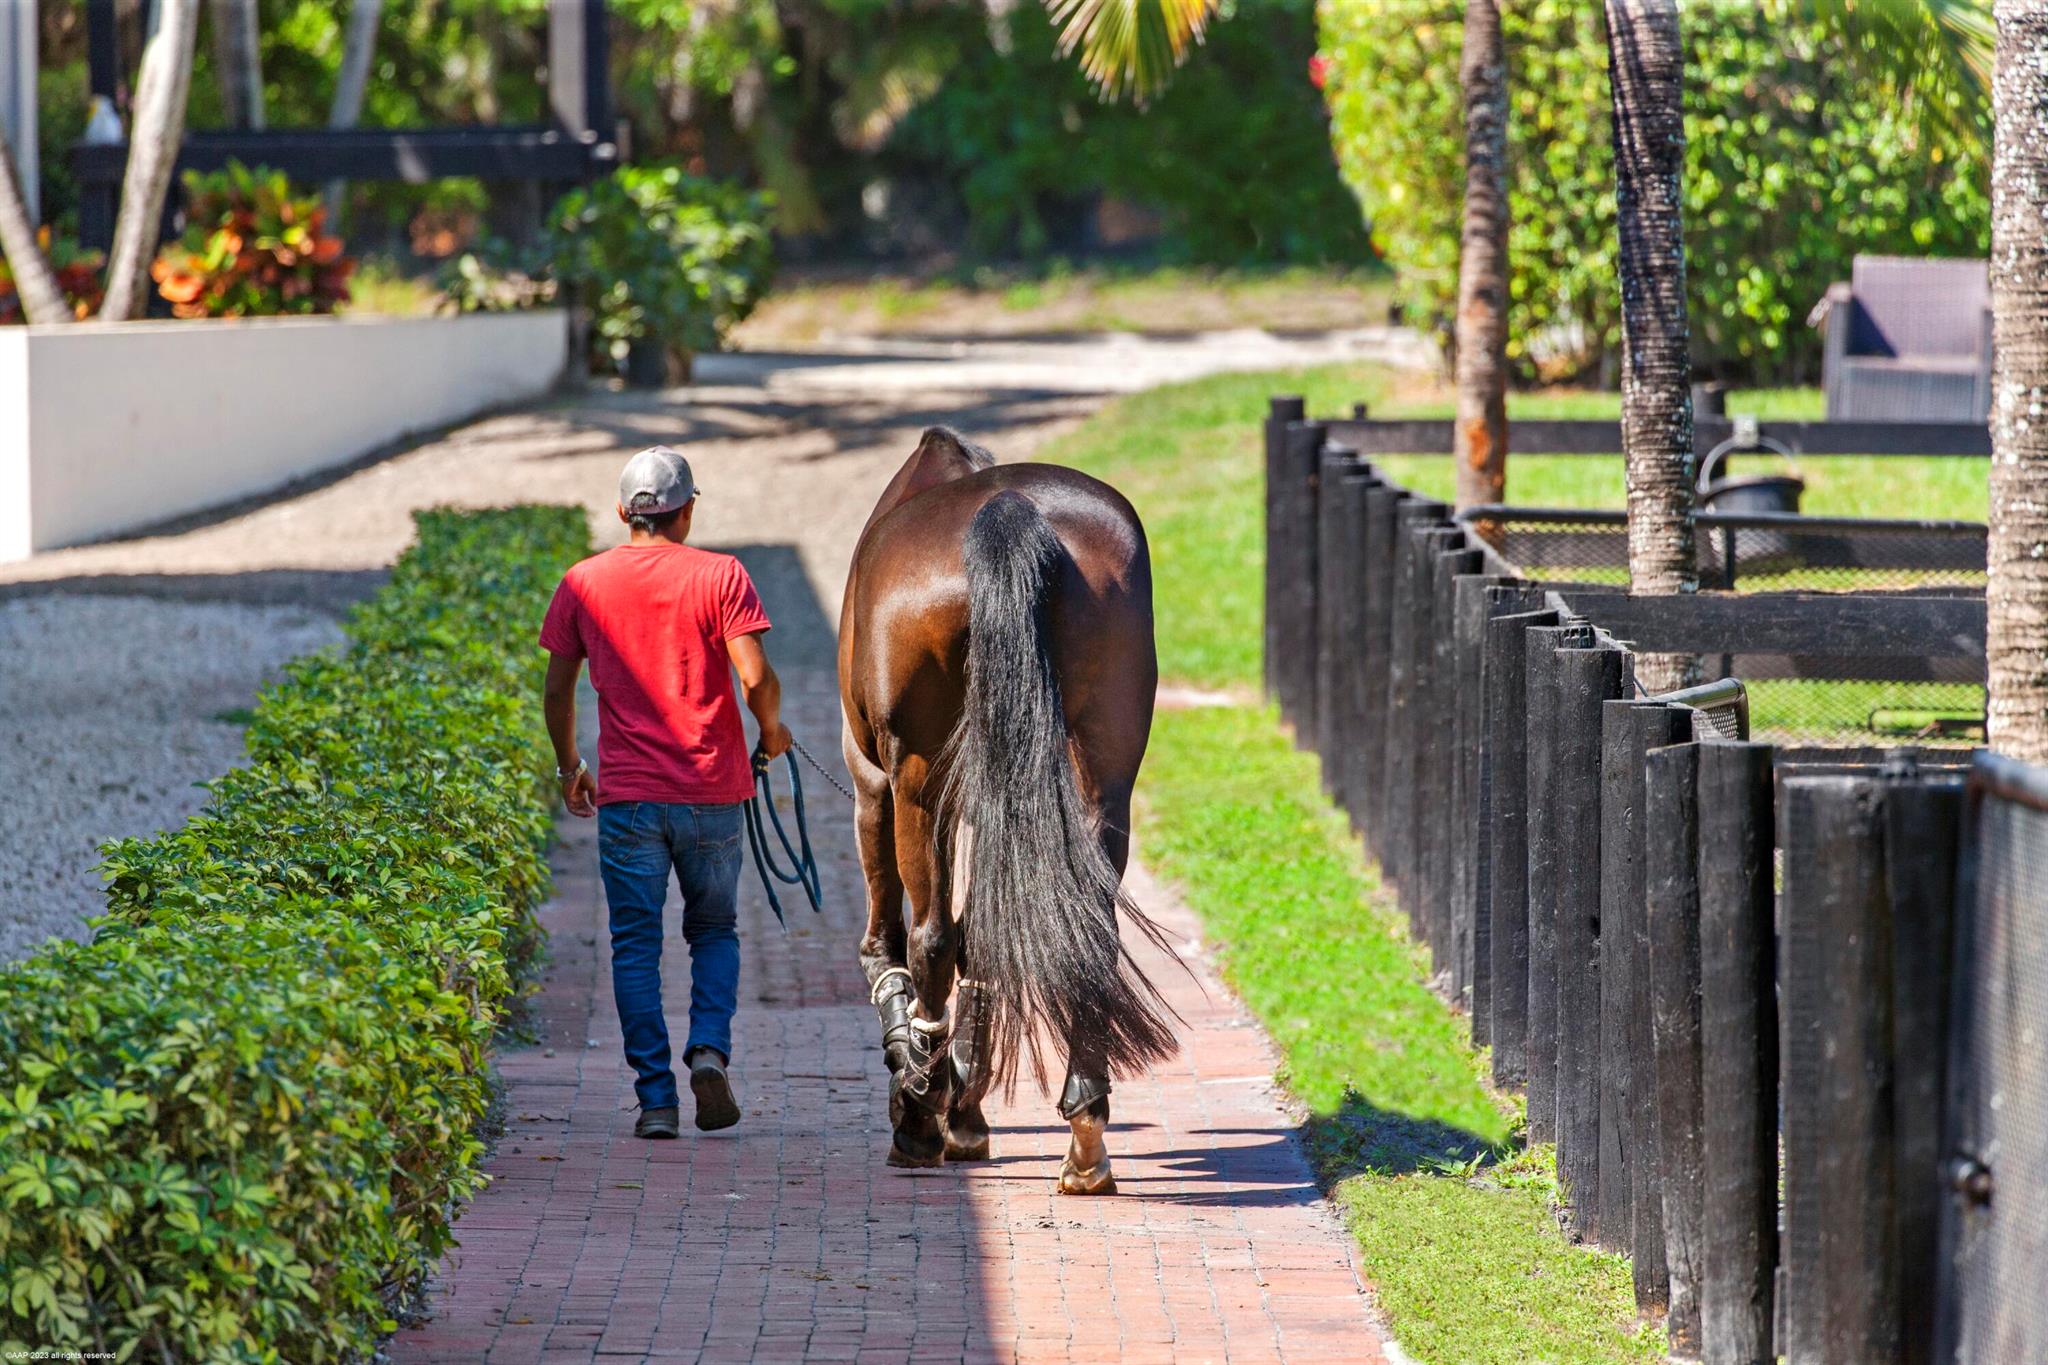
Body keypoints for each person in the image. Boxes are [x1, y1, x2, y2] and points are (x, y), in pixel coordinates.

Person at [539, 446, 791, 1138]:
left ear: (624, 513)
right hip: (711, 791)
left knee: (634, 943)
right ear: (686, 513)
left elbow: (557, 689)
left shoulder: (583, 582)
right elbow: (756, 677)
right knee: (713, 928)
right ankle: (708, 1049)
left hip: (628, 800)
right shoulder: (721, 575)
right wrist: (772, 732)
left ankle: (655, 1098)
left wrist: (570, 767)